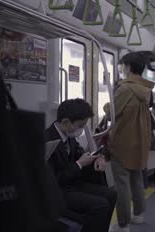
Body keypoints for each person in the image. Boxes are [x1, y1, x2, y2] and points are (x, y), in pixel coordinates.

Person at [45, 99, 116, 232]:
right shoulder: (47, 140)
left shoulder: (69, 135)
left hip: (73, 184)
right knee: (100, 205)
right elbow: (54, 179)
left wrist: (97, 158)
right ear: (66, 122)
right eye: (80, 125)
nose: (81, 129)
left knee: (111, 194)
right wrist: (79, 164)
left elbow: (80, 153)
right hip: (59, 190)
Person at [107, 51, 155, 232]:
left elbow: (110, 111)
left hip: (123, 141)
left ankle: (123, 223)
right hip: (141, 140)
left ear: (127, 67)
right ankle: (139, 214)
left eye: (122, 66)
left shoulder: (125, 88)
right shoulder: (146, 89)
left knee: (121, 184)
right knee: (136, 178)